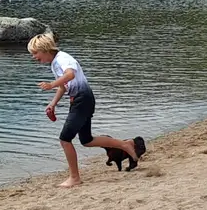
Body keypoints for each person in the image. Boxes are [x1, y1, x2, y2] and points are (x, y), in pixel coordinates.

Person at [28, 32, 145, 188]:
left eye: (35, 53)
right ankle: (126, 145)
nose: (34, 57)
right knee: (87, 140)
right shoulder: (55, 63)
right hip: (81, 100)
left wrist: (51, 84)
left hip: (82, 99)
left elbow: (70, 74)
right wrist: (53, 103)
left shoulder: (63, 58)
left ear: (45, 49)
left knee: (65, 139)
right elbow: (64, 86)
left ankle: (74, 177)